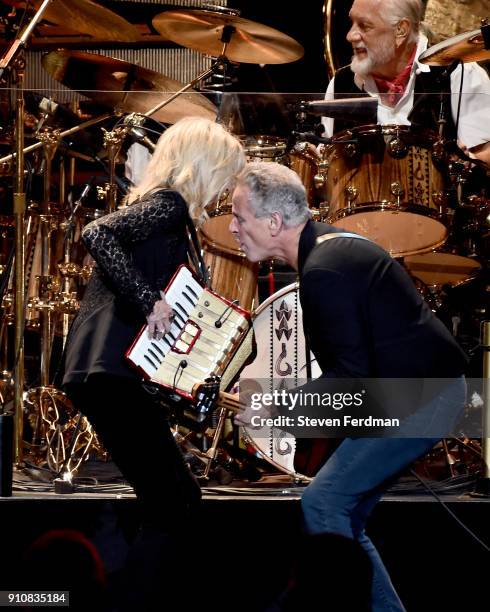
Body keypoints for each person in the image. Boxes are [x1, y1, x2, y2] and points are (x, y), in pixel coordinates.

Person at [230, 161, 468, 611]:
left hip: (424, 396)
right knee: (342, 514)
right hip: (413, 392)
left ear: (274, 222)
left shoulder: (324, 270)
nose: (234, 228)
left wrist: (276, 410)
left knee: (322, 504)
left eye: (240, 217)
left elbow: (352, 379)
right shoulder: (328, 248)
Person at [61, 116, 245, 530]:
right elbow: (97, 232)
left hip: (107, 373)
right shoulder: (169, 205)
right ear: (204, 167)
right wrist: (150, 300)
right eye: (224, 176)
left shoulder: (169, 211)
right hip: (107, 372)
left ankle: (149, 585)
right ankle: (153, 589)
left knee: (168, 496)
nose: (225, 190)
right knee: (176, 499)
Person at [322, 0, 490, 165]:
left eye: (364, 26)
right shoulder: (341, 83)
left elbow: (484, 160)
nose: (350, 35)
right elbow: (327, 163)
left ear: (401, 30)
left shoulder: (460, 75)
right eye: (352, 23)